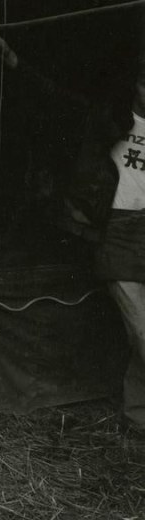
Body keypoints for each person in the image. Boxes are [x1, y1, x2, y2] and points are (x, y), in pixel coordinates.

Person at [93, 56, 145, 433]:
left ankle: (136, 417)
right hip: (118, 231)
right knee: (141, 331)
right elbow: (62, 102)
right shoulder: (111, 121)